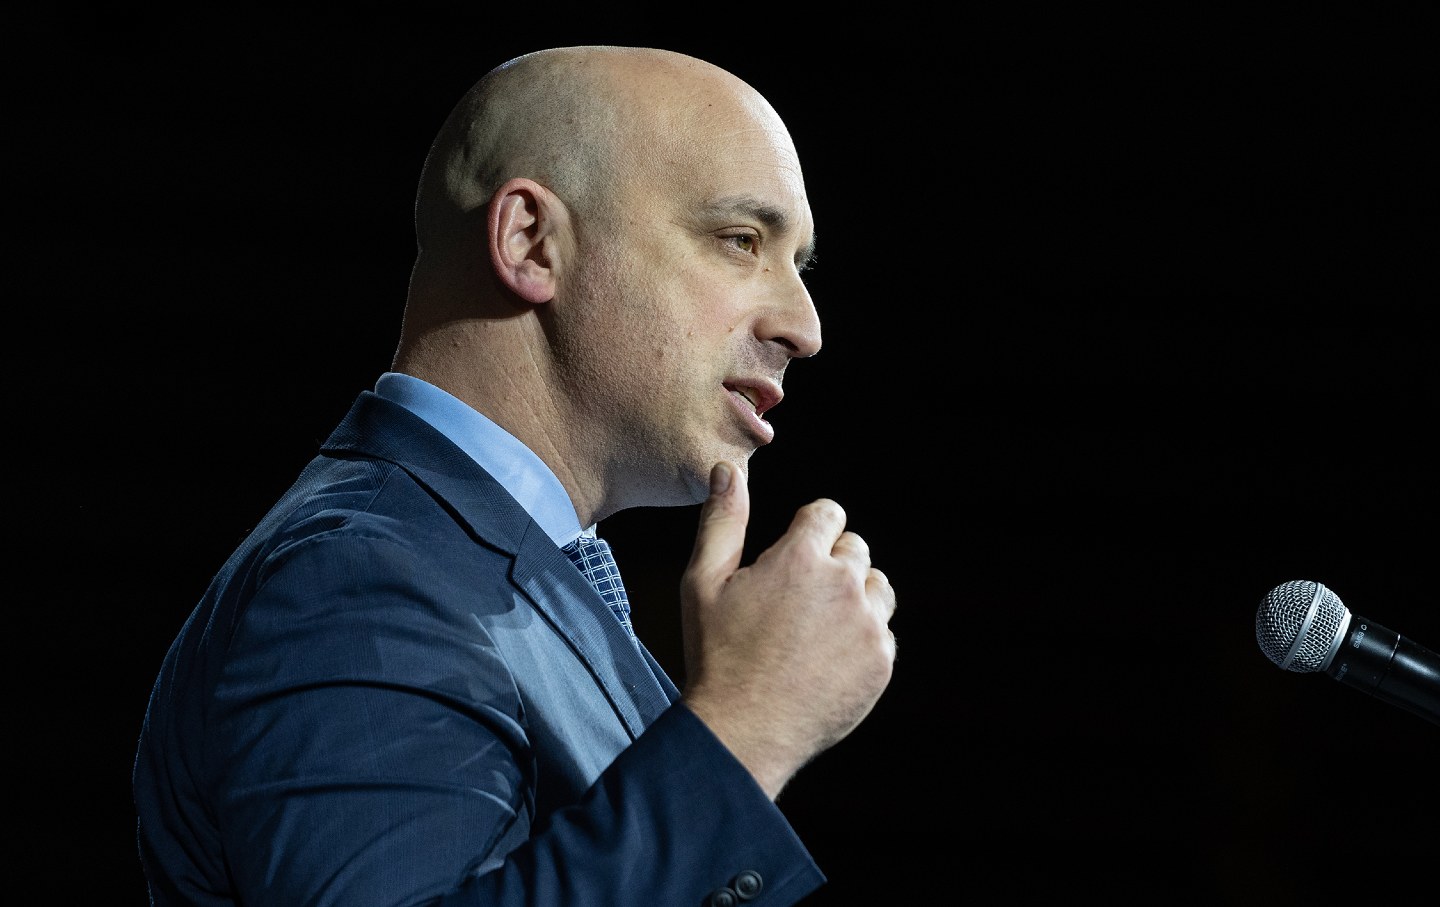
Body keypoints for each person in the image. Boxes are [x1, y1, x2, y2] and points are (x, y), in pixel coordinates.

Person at [132, 44, 897, 906]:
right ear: (530, 240)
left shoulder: (472, 571)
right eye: (741, 240)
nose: (806, 325)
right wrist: (752, 721)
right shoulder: (356, 580)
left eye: (800, 264)